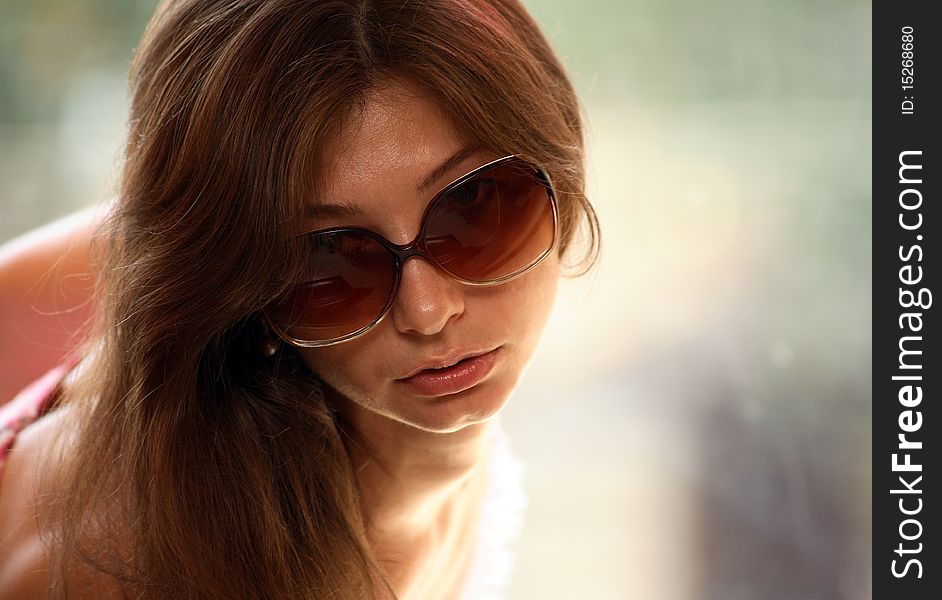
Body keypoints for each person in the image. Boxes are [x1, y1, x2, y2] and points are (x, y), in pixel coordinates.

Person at [0, 0, 599, 598]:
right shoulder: (136, 569)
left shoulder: (114, 258)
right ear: (239, 289)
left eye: (475, 208)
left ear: (559, 172)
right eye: (332, 255)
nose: (428, 311)